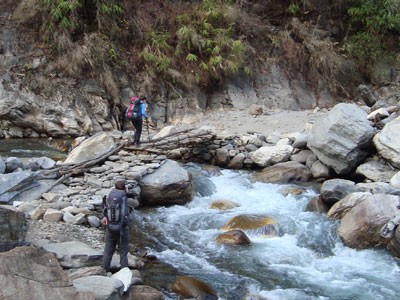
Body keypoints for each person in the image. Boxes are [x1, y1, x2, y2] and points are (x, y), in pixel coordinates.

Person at [103, 178, 130, 273]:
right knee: (123, 252)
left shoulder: (110, 194)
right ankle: (124, 271)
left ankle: (105, 270)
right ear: (124, 188)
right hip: (122, 229)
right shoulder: (123, 196)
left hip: (110, 227)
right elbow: (124, 214)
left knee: (108, 251)